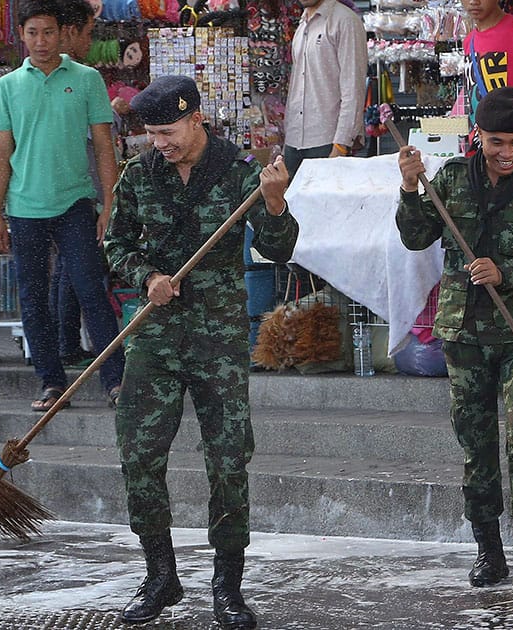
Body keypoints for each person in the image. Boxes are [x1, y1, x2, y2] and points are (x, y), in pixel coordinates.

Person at [104, 75, 299, 628]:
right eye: (151, 135)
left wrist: (276, 202)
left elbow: (280, 249)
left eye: (167, 132)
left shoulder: (239, 174)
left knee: (228, 460)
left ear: (196, 120)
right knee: (139, 454)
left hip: (218, 340)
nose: (159, 143)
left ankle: (227, 586)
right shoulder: (140, 175)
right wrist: (147, 278)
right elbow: (115, 245)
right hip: (155, 337)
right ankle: (160, 576)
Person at [396, 88, 513, 590]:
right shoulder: (451, 178)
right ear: (479, 136)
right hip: (463, 332)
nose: (508, 151)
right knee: (476, 444)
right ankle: (488, 551)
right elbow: (415, 237)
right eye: (497, 141)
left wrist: (508, 271)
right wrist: (410, 188)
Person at [0, 0, 125, 411]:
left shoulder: (86, 79)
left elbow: (104, 146)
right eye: (32, 33)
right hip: (24, 207)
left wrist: (109, 204)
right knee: (33, 298)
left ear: (62, 34)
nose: (41, 41)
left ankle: (115, 380)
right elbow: (1, 152)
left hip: (75, 203)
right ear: (22, 35)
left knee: (90, 290)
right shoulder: (7, 86)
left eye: (48, 32)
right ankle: (51, 383)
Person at [49, 0, 111, 367]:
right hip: (72, 189)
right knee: (78, 273)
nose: (89, 42)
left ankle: (66, 343)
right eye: (88, 34)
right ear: (70, 32)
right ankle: (67, 346)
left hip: (75, 188)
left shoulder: (82, 78)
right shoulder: (80, 80)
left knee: (68, 272)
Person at [283, 0, 367, 177]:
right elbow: (297, 86)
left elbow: (353, 89)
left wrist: (341, 145)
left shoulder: (345, 21)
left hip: (327, 141)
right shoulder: (302, 24)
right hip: (294, 141)